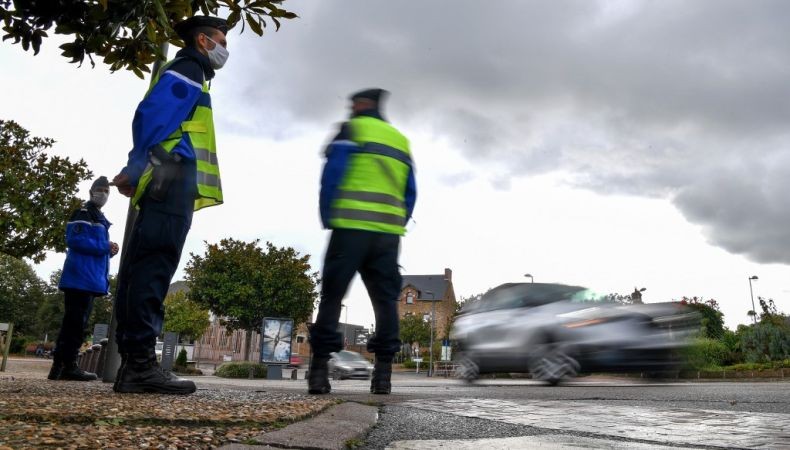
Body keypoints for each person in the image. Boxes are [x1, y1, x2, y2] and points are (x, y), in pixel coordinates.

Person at [111, 15, 228, 395]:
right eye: (220, 41)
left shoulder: (188, 71)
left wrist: (137, 167)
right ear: (202, 41)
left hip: (166, 178)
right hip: (171, 178)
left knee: (142, 266)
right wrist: (135, 166)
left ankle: (134, 364)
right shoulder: (190, 68)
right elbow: (153, 118)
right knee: (154, 265)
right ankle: (141, 366)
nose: (226, 50)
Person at [309, 88, 417, 395]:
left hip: (349, 227)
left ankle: (318, 373)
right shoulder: (400, 140)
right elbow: (410, 192)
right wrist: (397, 222)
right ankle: (382, 377)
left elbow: (332, 174)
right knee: (385, 302)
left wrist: (328, 215)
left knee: (331, 297)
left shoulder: (351, 129)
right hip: (388, 235)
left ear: (360, 105)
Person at [49, 176, 119, 381]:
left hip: (87, 278)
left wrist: (109, 251)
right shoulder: (83, 213)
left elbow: (91, 246)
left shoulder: (98, 218)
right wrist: (105, 247)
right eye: (101, 190)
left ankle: (60, 367)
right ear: (91, 192)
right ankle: (67, 366)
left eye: (107, 191)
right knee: (75, 323)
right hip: (80, 277)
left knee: (76, 323)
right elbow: (75, 239)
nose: (104, 194)